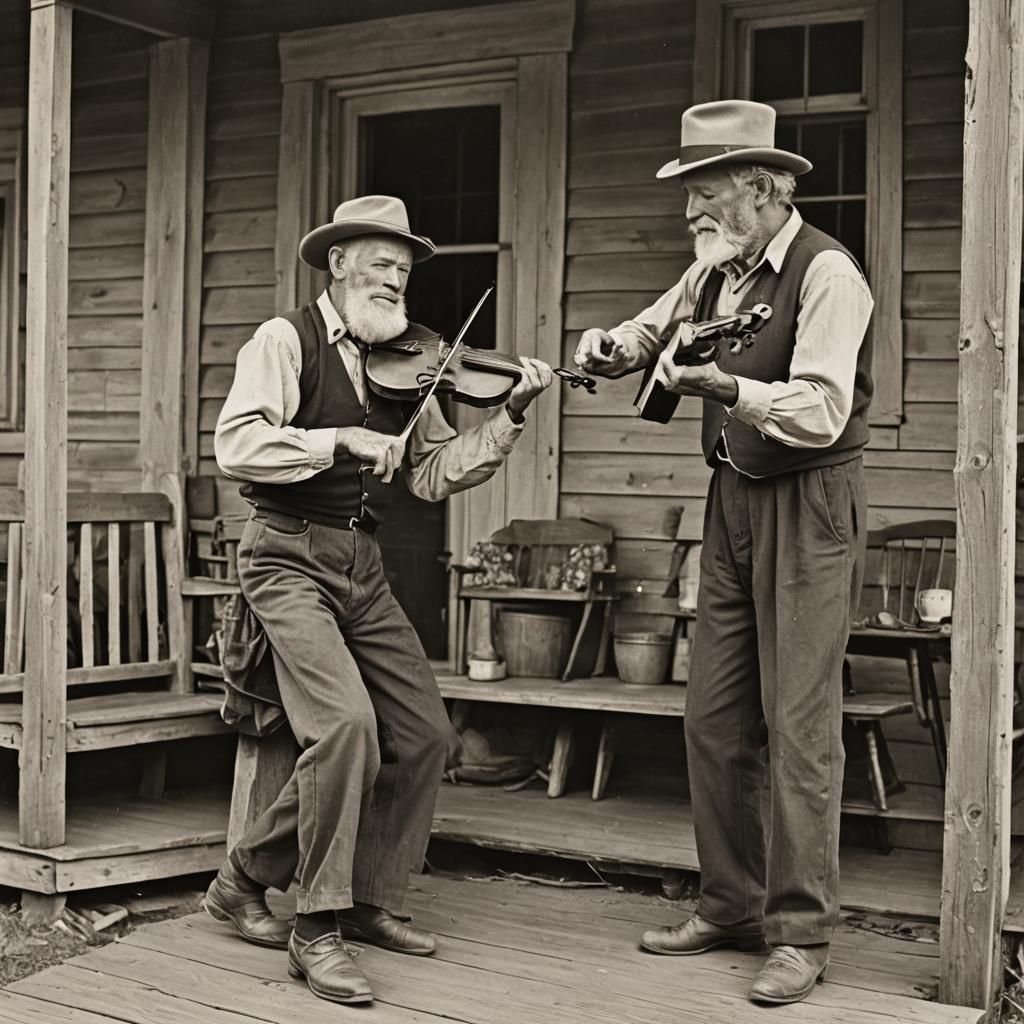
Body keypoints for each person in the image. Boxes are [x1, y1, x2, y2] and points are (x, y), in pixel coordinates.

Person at [204, 194, 552, 1006]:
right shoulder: (283, 340)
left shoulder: (405, 358)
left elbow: (432, 472)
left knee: (426, 734)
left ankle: (334, 893)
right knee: (345, 728)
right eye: (383, 264)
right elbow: (237, 443)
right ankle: (315, 927)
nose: (397, 280)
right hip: (285, 554)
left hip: (361, 563)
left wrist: (509, 414)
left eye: (405, 269)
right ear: (339, 264)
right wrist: (340, 439)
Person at [574, 100, 874, 1006]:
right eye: (687, 195)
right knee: (712, 717)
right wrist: (610, 348)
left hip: (808, 501)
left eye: (704, 193)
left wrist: (730, 390)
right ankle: (732, 905)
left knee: (800, 723)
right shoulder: (715, 269)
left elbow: (822, 410)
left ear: (761, 188)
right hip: (734, 499)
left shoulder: (828, 273)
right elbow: (650, 328)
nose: (689, 212)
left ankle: (800, 932)